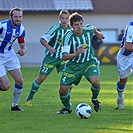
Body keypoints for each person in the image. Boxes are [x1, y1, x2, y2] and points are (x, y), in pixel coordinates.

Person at [56, 12, 105, 114]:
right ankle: (67, 108)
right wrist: (76, 53)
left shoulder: (88, 30)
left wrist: (98, 34)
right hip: (73, 65)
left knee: (95, 81)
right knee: (63, 90)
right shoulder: (67, 37)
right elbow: (64, 56)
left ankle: (95, 100)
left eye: (81, 24)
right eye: (76, 25)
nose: (79, 27)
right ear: (71, 26)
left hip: (88, 62)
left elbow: (93, 28)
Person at [25, 10, 71, 106]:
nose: (64, 20)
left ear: (69, 19)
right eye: (62, 18)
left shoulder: (71, 30)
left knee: (68, 78)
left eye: (66, 18)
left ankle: (66, 100)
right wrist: (49, 48)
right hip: (51, 58)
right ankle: (29, 98)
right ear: (59, 19)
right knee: (41, 78)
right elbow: (42, 39)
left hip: (63, 58)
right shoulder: (55, 28)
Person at [0, 7, 27, 111]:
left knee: (19, 81)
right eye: (15, 16)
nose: (18, 19)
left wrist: (23, 50)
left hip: (9, 54)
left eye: (20, 17)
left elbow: (23, 45)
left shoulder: (21, 29)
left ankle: (15, 105)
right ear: (10, 17)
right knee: (5, 86)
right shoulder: (2, 26)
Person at [115, 22, 133, 110]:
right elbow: (128, 47)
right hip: (126, 57)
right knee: (123, 81)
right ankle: (120, 98)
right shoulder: (131, 27)